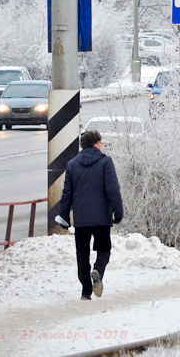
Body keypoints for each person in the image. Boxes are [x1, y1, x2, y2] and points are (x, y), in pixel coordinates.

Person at [54, 129, 124, 301]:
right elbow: (113, 190)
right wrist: (118, 212)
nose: (102, 145)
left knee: (82, 254)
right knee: (104, 249)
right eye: (100, 142)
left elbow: (67, 194)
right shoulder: (105, 162)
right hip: (102, 218)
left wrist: (63, 215)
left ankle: (86, 291)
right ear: (95, 144)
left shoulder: (72, 165)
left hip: (81, 219)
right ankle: (98, 270)